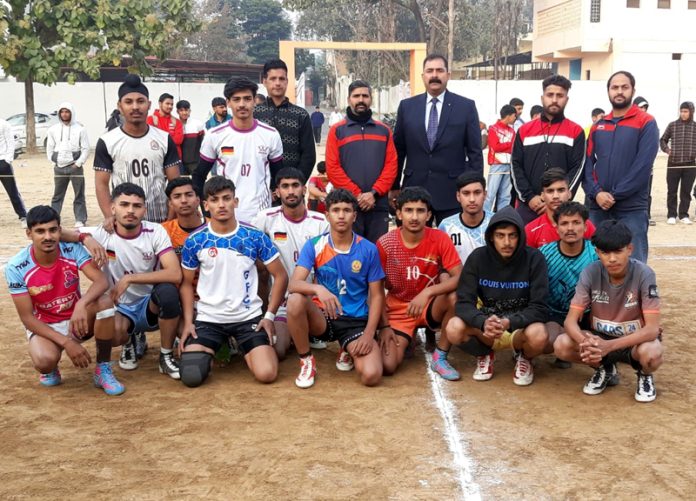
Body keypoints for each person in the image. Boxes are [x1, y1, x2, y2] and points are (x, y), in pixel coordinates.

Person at [178, 177, 288, 387]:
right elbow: (185, 283)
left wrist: (270, 316)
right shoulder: (195, 240)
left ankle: (245, 345)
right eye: (215, 199)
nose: (221, 204)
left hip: (247, 318)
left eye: (226, 198)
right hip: (209, 318)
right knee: (191, 376)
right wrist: (188, 322)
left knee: (267, 374)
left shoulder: (253, 236)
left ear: (235, 202)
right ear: (206, 205)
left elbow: (281, 275)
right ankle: (220, 345)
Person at [5, 205, 124, 396]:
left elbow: (101, 280)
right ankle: (52, 364)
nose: (48, 237)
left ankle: (103, 369)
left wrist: (81, 304)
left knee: (107, 309)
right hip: (45, 325)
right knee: (44, 361)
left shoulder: (71, 248)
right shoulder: (16, 266)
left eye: (53, 230)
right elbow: (27, 318)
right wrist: (67, 343)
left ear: (60, 231)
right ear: (29, 234)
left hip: (77, 319)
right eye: (40, 231)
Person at [75, 183, 183, 379]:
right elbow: (60, 232)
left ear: (145, 209)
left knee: (168, 292)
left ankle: (165, 357)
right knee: (115, 335)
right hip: (120, 306)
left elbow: (175, 273)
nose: (130, 210)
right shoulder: (101, 233)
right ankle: (130, 340)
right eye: (124, 204)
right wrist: (85, 238)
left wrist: (130, 278)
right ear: (113, 208)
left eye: (137, 205)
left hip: (149, 304)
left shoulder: (155, 231)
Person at [286, 189, 386, 388]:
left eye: (347, 210)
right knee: (296, 299)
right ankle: (306, 361)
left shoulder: (368, 249)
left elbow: (376, 296)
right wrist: (318, 290)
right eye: (336, 210)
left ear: (354, 215)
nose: (341, 215)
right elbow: (293, 284)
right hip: (324, 317)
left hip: (355, 322)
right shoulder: (314, 245)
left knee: (371, 376)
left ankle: (346, 348)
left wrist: (368, 334)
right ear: (327, 215)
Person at [554, 220, 663, 403]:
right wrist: (588, 343)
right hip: (600, 338)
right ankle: (605, 369)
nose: (612, 259)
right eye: (605, 252)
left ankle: (644, 375)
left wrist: (609, 347)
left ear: (630, 249)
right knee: (561, 344)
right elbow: (570, 322)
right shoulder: (590, 272)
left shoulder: (645, 274)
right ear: (597, 252)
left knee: (652, 353)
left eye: (618, 251)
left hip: (633, 341)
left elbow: (652, 329)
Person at [446, 207, 549, 385]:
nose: (506, 242)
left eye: (512, 235)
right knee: (453, 328)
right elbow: (463, 303)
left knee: (539, 335)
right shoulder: (478, 258)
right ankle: (484, 353)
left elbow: (540, 307)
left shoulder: (534, 259)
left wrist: (510, 322)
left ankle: (524, 357)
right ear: (492, 237)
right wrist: (482, 322)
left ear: (520, 237)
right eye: (501, 235)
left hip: (519, 327)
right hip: (487, 329)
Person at [377, 187, 463, 380]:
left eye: (420, 210)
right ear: (398, 213)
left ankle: (440, 355)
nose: (414, 217)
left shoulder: (439, 237)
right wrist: (383, 327)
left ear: (429, 214)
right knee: (388, 366)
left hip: (430, 305)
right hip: (398, 308)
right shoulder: (385, 244)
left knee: (454, 296)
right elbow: (375, 290)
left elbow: (460, 277)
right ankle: (409, 337)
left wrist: (427, 292)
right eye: (408, 210)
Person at [392, 54, 483, 224]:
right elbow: (399, 150)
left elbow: (475, 152)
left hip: (451, 192)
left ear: (448, 75)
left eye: (440, 70)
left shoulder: (465, 107)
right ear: (423, 76)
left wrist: (475, 190)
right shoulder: (407, 107)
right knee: (412, 246)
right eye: (430, 71)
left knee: (453, 245)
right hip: (414, 191)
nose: (435, 75)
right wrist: (394, 186)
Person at [252, 168, 329, 360]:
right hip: (280, 303)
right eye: (285, 186)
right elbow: (250, 255)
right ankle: (268, 319)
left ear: (304, 189)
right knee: (277, 350)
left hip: (311, 302)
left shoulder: (320, 222)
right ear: (277, 192)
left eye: (295, 185)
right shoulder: (266, 219)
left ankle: (305, 331)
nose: (291, 191)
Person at [583, 71, 659, 263]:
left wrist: (616, 195)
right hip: (598, 206)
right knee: (595, 261)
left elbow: (642, 166)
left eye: (624, 87)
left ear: (633, 90)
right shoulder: (598, 126)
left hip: (631, 207)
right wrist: (596, 193)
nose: (619, 91)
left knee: (634, 263)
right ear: (608, 91)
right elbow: (587, 164)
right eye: (614, 87)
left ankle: (637, 294)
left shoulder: (646, 122)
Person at [94, 75, 182, 230]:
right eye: (128, 102)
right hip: (124, 221)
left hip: (160, 219)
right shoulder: (107, 141)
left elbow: (175, 183)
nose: (135, 107)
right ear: (119, 106)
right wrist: (110, 216)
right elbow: (101, 183)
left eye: (140, 101)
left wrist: (170, 220)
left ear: (148, 104)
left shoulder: (164, 139)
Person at [193, 76, 284, 225]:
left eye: (247, 98)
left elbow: (279, 177)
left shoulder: (271, 134)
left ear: (255, 100)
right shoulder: (214, 135)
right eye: (236, 99)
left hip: (261, 217)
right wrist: (207, 211)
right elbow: (199, 175)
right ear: (228, 102)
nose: (242, 104)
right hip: (225, 218)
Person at [325, 79, 397, 243]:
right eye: (356, 96)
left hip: (378, 205)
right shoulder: (337, 131)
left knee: (377, 253)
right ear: (349, 99)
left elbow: (391, 166)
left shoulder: (384, 131)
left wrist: (373, 193)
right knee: (350, 254)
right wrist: (357, 195)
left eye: (365, 95)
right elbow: (333, 168)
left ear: (371, 98)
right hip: (348, 207)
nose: (361, 100)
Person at [511, 75, 585, 225]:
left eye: (560, 95)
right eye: (550, 95)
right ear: (542, 97)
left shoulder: (576, 131)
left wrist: (558, 197)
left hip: (561, 210)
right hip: (528, 207)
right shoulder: (525, 130)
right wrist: (529, 197)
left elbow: (577, 169)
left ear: (567, 99)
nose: (554, 100)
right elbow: (515, 166)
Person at [539, 201, 598, 368]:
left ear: (586, 227)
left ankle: (604, 365)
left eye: (576, 222)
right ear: (556, 228)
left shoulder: (596, 254)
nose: (570, 228)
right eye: (564, 223)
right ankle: (565, 345)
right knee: (548, 341)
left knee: (597, 340)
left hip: (588, 316)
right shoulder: (544, 254)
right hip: (554, 316)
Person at [255, 59, 316, 182]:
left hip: (291, 192)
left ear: (287, 82)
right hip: (259, 189)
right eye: (273, 79)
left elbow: (308, 156)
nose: (278, 83)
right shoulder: (254, 115)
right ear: (264, 82)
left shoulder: (301, 115)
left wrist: (295, 184)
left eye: (282, 79)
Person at [525, 168, 595, 248]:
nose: (556, 196)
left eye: (561, 190)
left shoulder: (586, 226)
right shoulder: (531, 230)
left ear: (569, 194)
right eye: (550, 191)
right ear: (542, 196)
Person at [46, 102, 90, 227]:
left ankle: (80, 219)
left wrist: (78, 163)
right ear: (59, 114)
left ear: (71, 113)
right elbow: (49, 147)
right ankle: (53, 219)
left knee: (79, 194)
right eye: (62, 112)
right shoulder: (53, 129)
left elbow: (86, 148)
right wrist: (53, 161)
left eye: (67, 112)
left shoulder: (80, 129)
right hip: (59, 168)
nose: (64, 114)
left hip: (75, 167)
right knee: (57, 196)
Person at [438, 172, 493, 265]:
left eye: (477, 193)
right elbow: (439, 263)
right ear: (458, 196)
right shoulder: (446, 226)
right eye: (466, 193)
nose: (472, 199)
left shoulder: (496, 222)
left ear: (485, 194)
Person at [660, 101, 696, 225]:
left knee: (686, 191)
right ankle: (671, 215)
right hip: (673, 164)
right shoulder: (672, 125)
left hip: (690, 165)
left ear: (691, 112)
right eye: (681, 111)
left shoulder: (695, 127)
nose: (683, 114)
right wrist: (667, 150)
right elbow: (663, 139)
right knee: (672, 191)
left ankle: (683, 215)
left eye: (686, 111)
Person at [485, 104, 517, 213]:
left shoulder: (512, 131)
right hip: (497, 165)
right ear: (508, 116)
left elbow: (514, 147)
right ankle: (485, 217)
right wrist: (510, 145)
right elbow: (495, 147)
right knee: (491, 194)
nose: (515, 118)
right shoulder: (493, 128)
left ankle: (502, 217)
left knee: (505, 195)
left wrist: (508, 146)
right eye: (514, 116)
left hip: (509, 165)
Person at [0, 117, 28, 227]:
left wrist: (8, 160)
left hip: (3, 162)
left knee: (12, 191)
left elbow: (10, 142)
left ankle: (23, 216)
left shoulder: (4, 124)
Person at [633, 96, 656, 226]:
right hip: (630, 170)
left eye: (645, 107)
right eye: (640, 107)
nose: (643, 110)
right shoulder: (628, 124)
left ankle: (646, 216)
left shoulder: (650, 124)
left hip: (647, 170)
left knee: (646, 194)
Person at [147, 92, 184, 159]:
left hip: (175, 160)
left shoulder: (177, 121)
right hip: (157, 159)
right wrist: (171, 136)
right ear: (160, 104)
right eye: (167, 104)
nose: (170, 106)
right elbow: (150, 140)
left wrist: (159, 138)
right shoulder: (151, 119)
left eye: (172, 104)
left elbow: (179, 140)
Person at [176, 100, 205, 176]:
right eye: (181, 110)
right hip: (180, 163)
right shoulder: (174, 124)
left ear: (190, 111)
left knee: (197, 185)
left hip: (195, 163)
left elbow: (205, 143)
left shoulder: (198, 124)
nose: (184, 113)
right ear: (177, 111)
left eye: (186, 110)